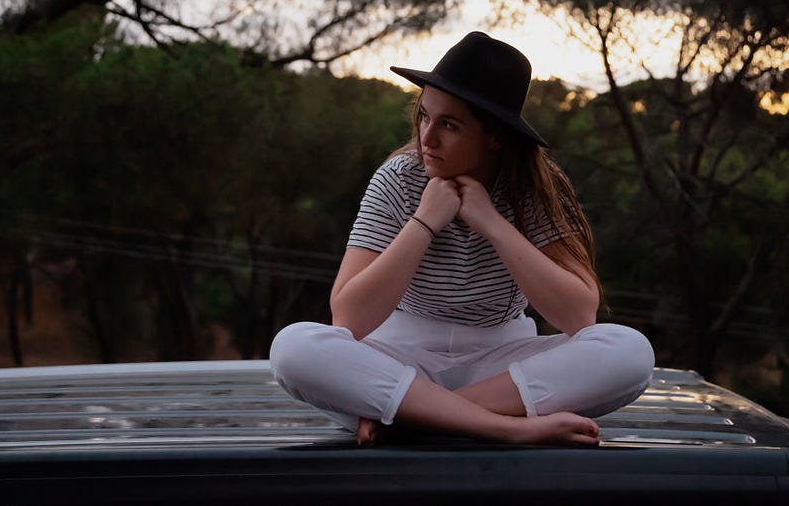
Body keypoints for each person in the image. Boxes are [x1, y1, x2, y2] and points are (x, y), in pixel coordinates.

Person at [269, 31, 654, 446]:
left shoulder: (535, 188)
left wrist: (491, 221)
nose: (427, 138)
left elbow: (580, 315)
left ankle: (418, 417)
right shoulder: (397, 179)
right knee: (293, 349)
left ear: (496, 137)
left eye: (449, 125)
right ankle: (504, 429)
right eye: (424, 117)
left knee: (630, 352)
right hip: (400, 360)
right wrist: (423, 222)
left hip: (500, 371)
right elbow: (349, 318)